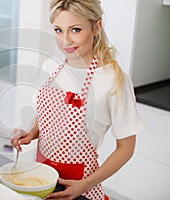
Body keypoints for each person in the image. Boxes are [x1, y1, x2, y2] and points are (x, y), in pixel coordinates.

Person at [10, 0, 145, 199]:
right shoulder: (51, 67)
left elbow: (126, 148)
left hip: (81, 188)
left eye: (75, 30)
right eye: (58, 30)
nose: (65, 40)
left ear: (96, 27)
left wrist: (85, 185)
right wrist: (31, 133)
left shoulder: (112, 78)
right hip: (41, 179)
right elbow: (48, 113)